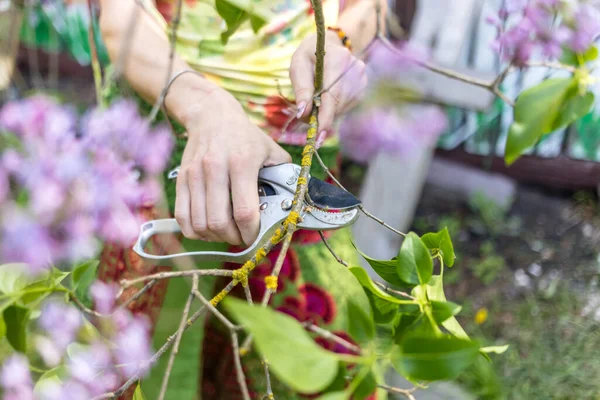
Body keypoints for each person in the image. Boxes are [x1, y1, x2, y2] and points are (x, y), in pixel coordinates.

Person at [97, 0, 384, 397]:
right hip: (167, 148)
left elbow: (366, 8)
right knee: (141, 369)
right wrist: (204, 106)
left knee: (329, 371)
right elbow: (120, 18)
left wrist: (337, 42)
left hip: (295, 168)